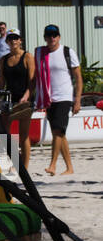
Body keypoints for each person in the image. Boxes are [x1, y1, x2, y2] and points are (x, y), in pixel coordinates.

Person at [34, 24, 82, 176]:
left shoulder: (67, 52)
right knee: (60, 134)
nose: (52, 38)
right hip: (49, 98)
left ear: (59, 37)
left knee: (57, 130)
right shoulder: (40, 53)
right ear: (45, 38)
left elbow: (78, 78)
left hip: (64, 97)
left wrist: (77, 100)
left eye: (54, 35)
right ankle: (69, 168)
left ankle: (52, 165)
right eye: (49, 36)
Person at [0, 31, 35, 171]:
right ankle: (16, 159)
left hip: (24, 100)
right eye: (10, 38)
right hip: (8, 99)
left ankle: (23, 167)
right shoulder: (3, 59)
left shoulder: (27, 56)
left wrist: (26, 96)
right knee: (3, 133)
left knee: (23, 135)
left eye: (16, 38)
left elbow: (32, 81)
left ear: (20, 41)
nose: (13, 41)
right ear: (7, 42)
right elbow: (1, 82)